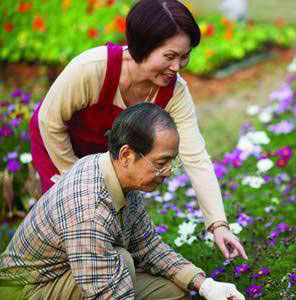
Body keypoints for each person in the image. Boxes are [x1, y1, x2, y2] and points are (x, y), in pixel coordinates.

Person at [29, 0, 247, 261]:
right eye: (169, 56)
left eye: (185, 56)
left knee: (112, 229)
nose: (177, 67)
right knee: (72, 225)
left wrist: (218, 224)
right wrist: (77, 182)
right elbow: (50, 122)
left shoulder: (174, 92)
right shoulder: (92, 68)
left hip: (112, 158)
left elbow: (196, 157)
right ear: (140, 47)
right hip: (60, 147)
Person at [1, 103, 245, 300]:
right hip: (28, 290)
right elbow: (104, 293)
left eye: (171, 162)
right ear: (127, 155)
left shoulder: (118, 174)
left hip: (80, 273)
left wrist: (206, 285)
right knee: (123, 260)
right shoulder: (89, 208)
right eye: (161, 163)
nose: (169, 172)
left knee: (172, 292)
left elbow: (147, 246)